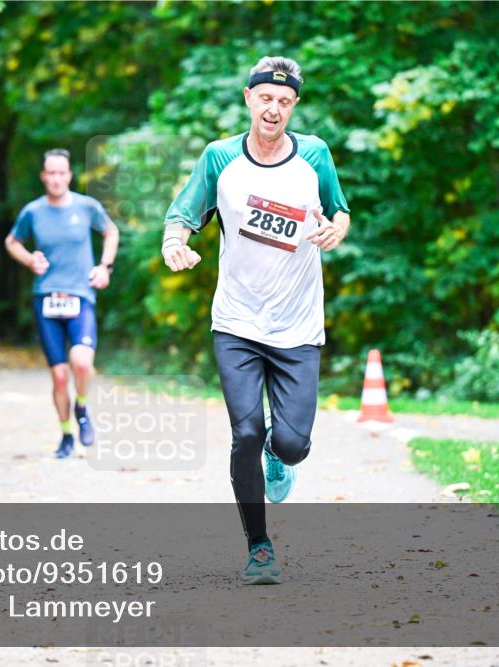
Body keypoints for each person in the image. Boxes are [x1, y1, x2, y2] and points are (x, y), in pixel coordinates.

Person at [161, 56, 351, 584]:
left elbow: (339, 209)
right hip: (238, 323)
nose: (274, 108)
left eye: (285, 101)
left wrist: (338, 228)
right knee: (244, 431)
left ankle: (278, 452)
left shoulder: (314, 154)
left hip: (297, 326)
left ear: (294, 106)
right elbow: (182, 214)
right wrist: (175, 241)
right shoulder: (219, 158)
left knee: (293, 444)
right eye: (265, 98)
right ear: (249, 98)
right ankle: (259, 546)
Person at [5, 148, 120, 459]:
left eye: (61, 173)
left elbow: (111, 231)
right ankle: (67, 435)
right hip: (47, 298)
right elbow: (11, 241)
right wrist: (29, 259)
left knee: (81, 361)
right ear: (44, 177)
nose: (56, 178)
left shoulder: (86, 206)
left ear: (69, 175)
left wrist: (104, 267)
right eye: (50, 173)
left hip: (80, 295)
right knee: (58, 375)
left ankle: (82, 404)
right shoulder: (33, 212)